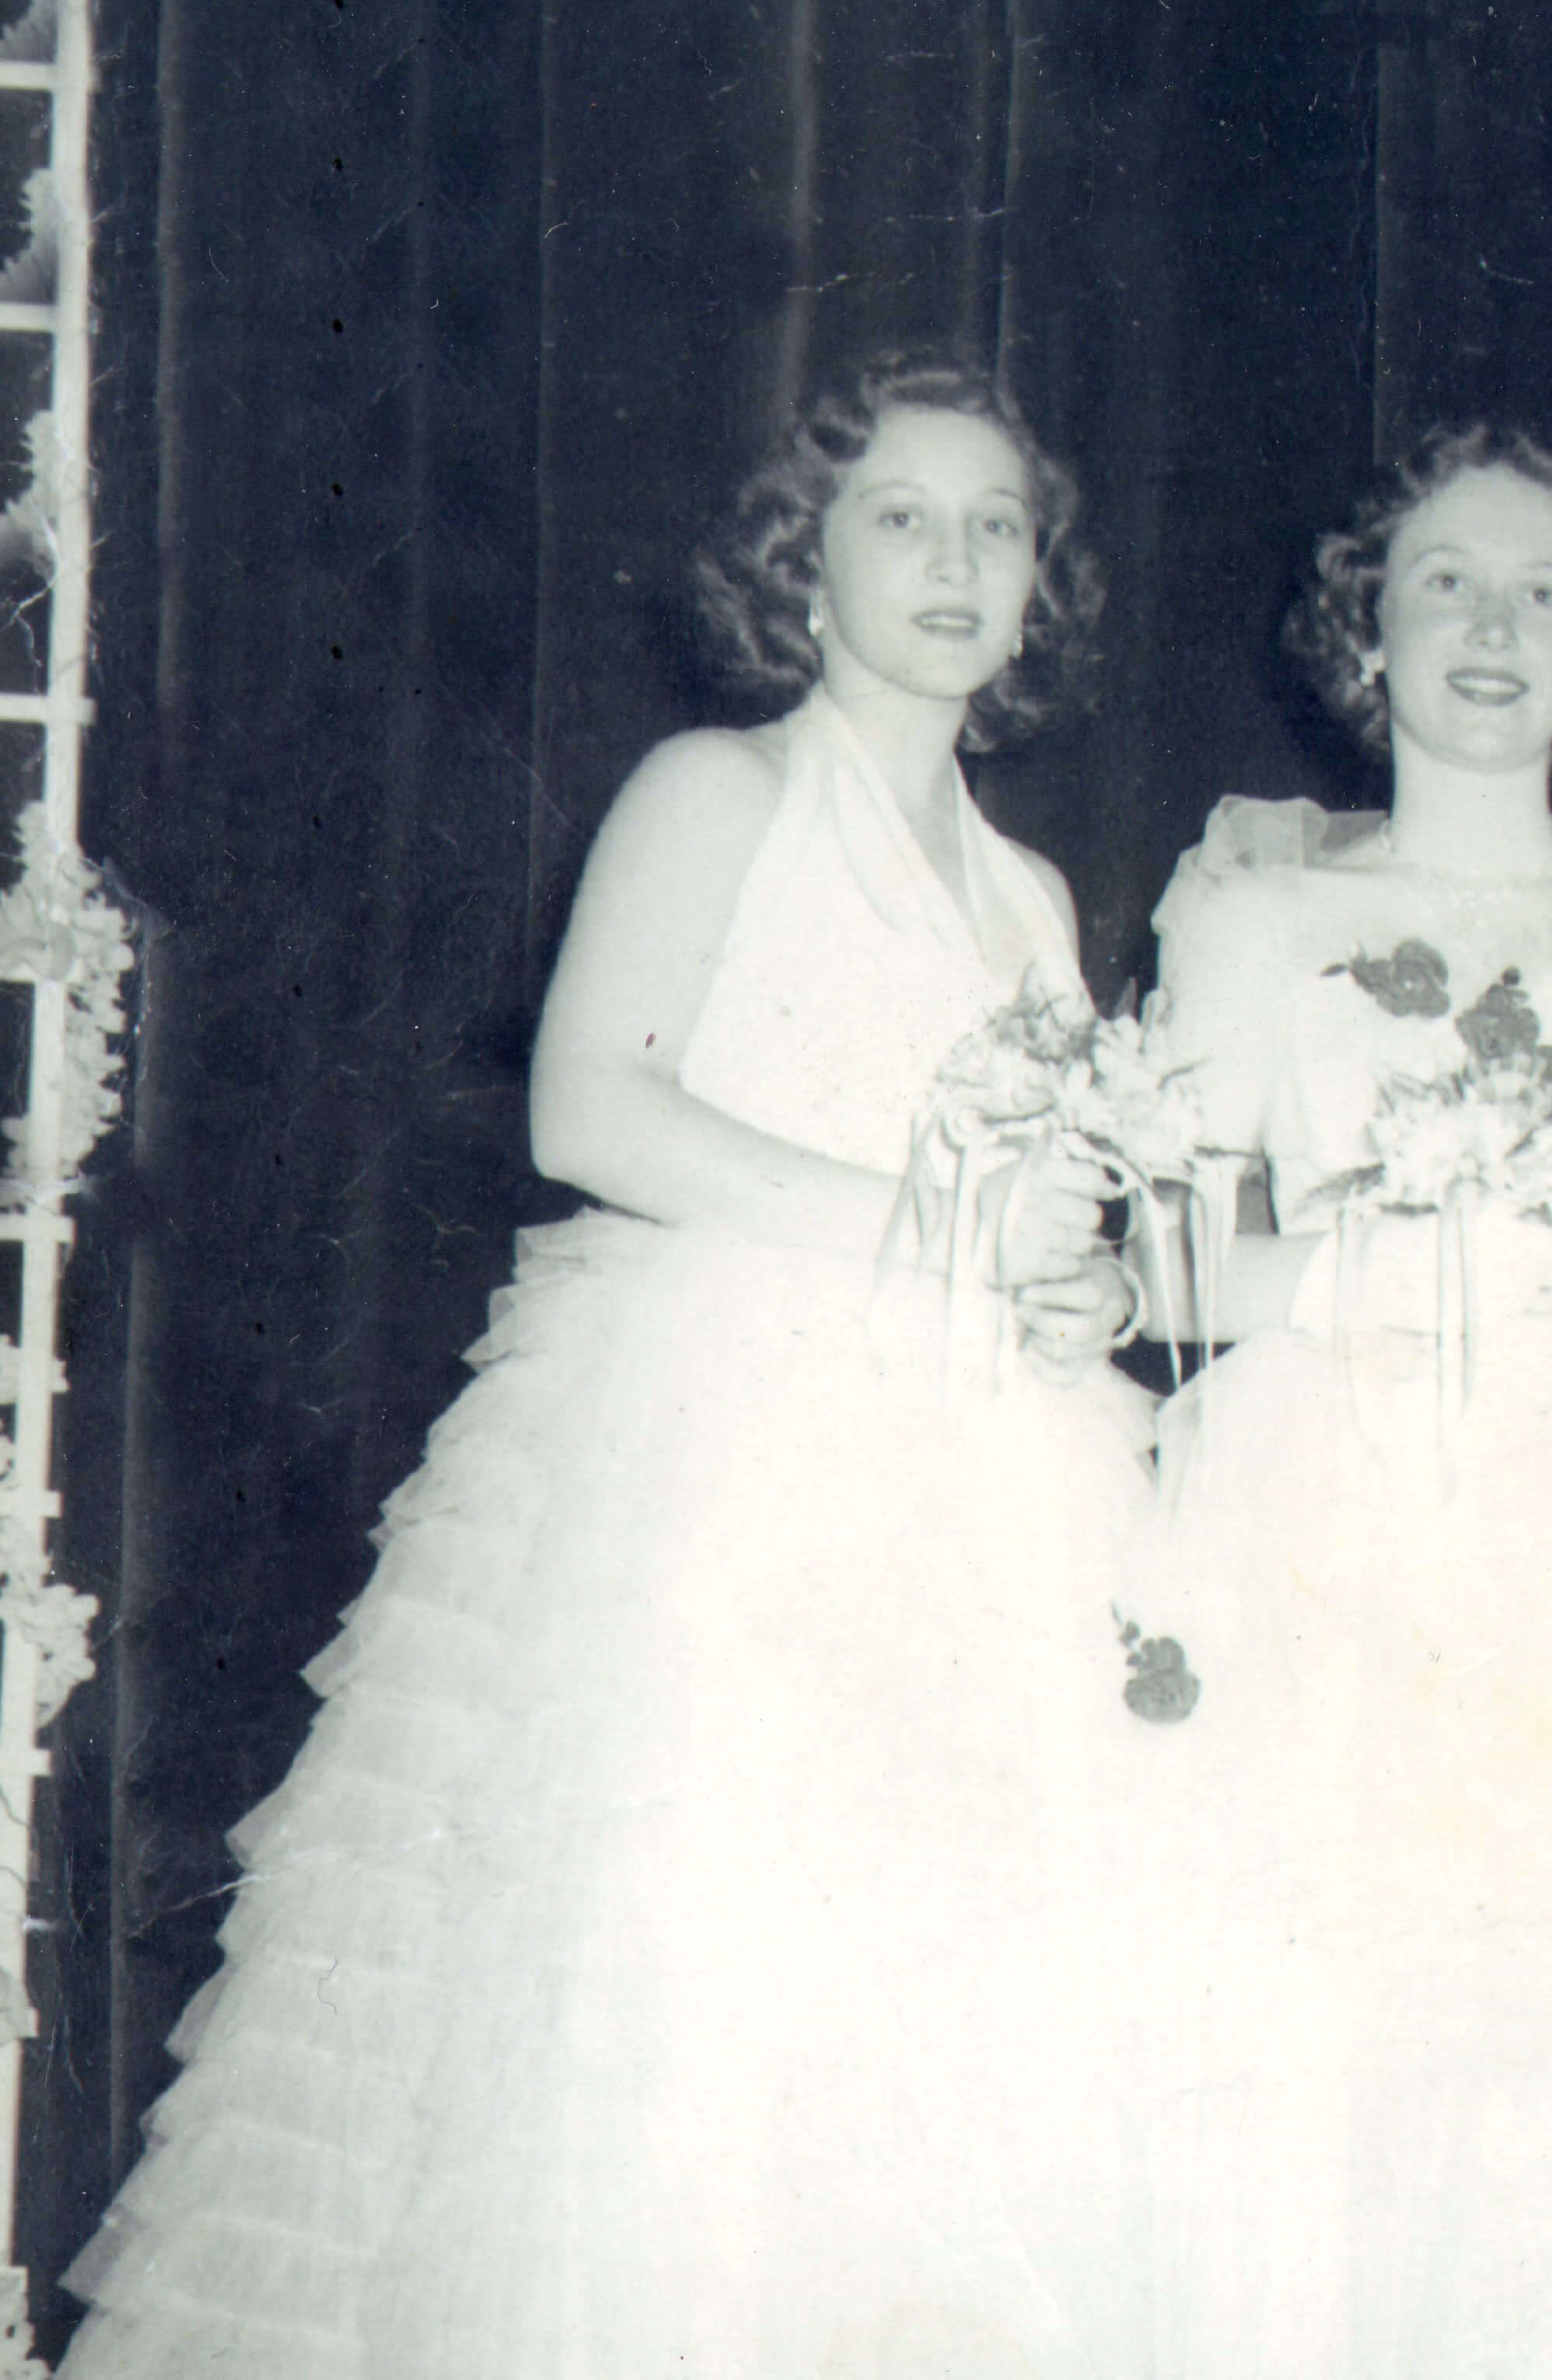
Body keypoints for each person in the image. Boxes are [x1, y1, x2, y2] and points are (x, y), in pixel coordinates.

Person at [60, 353, 1164, 2375]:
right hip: (727, 1455)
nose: (952, 560)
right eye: (897, 517)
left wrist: (1064, 1291)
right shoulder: (716, 793)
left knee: (933, 2024)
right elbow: (593, 1115)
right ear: (804, 564)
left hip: (980, 1487)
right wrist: (938, 1236)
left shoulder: (1031, 896)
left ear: (1039, 586)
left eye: (994, 524)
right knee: (686, 2006)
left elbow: (1038, 1197)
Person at [1132, 424, 1552, 2372]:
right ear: (1368, 629)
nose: (1493, 624)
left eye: (1543, 589)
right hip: (1317, 1496)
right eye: (1446, 579)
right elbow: (1165, 1271)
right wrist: (1379, 1281)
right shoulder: (1256, 913)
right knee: (1319, 2039)